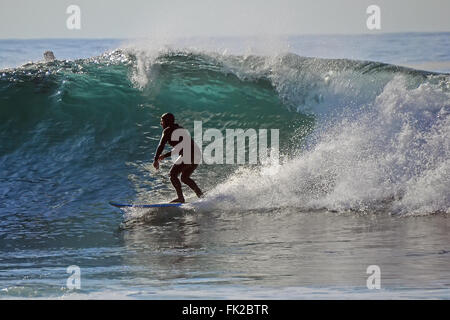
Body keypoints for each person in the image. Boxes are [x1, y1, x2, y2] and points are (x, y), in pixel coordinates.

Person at [152, 113, 203, 203]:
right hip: (197, 153)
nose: (161, 123)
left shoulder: (167, 130)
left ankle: (180, 198)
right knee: (184, 177)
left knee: (172, 174)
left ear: (167, 121)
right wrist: (164, 156)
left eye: (162, 121)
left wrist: (155, 159)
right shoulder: (180, 128)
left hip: (189, 153)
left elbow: (161, 145)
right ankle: (200, 195)